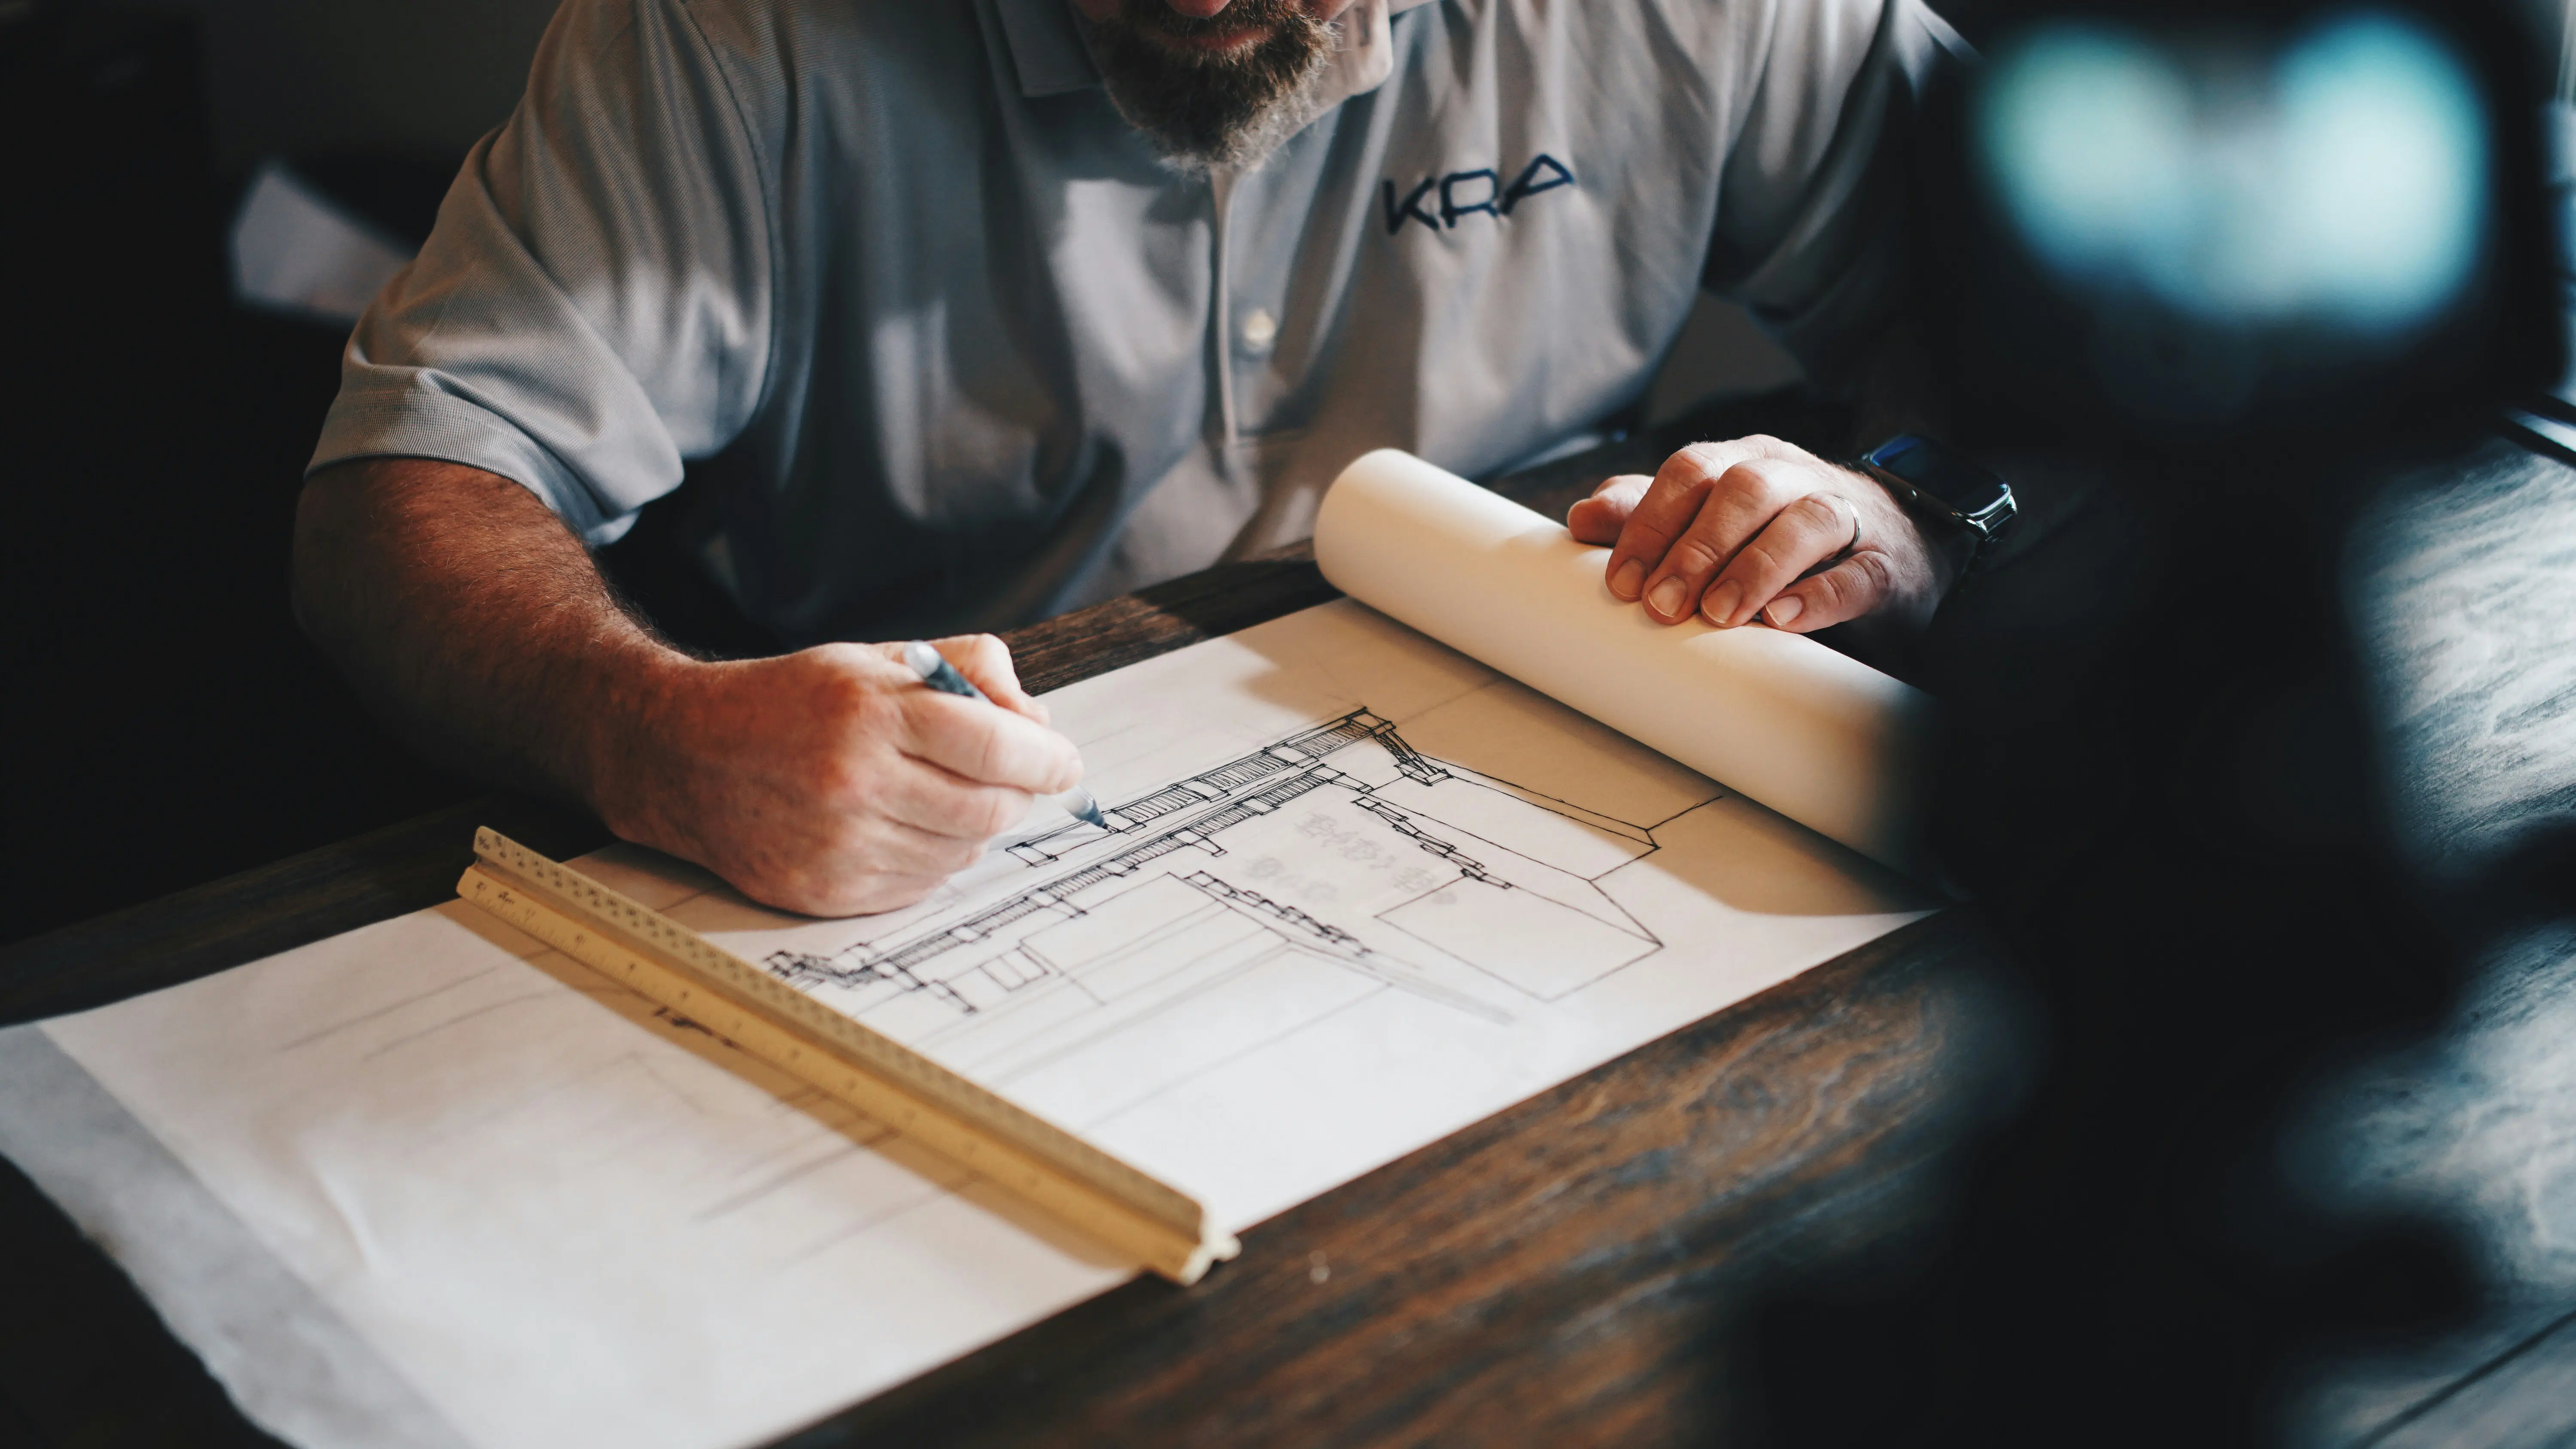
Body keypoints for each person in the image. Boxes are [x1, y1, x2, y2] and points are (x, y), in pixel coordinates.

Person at [293, 0, 1968, 916]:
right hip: (953, 843)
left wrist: (1909, 503)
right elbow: (405, 488)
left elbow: (2123, 354)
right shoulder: (732, 37)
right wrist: (643, 728)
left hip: (1593, 839)